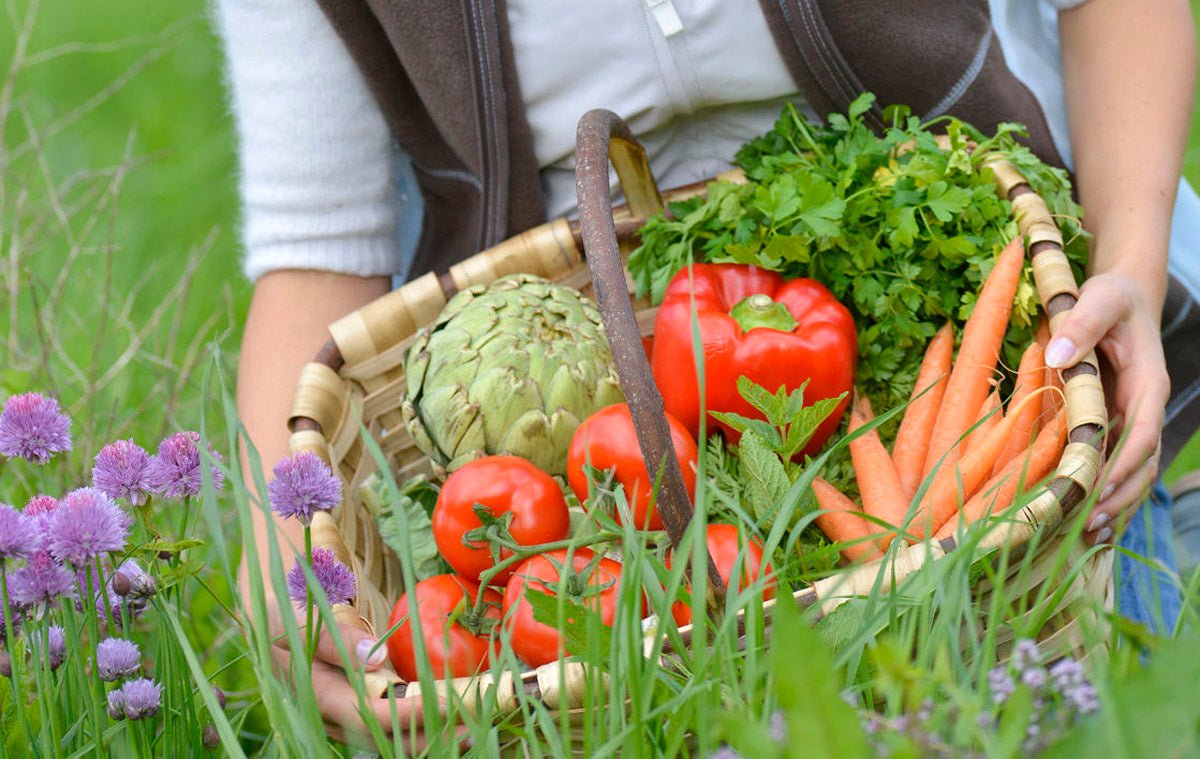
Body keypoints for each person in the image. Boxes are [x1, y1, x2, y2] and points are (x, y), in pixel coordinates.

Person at [217, 0, 1197, 744]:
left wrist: (1132, 262)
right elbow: (316, 238)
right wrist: (287, 558)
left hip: (1033, 388)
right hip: (584, 413)